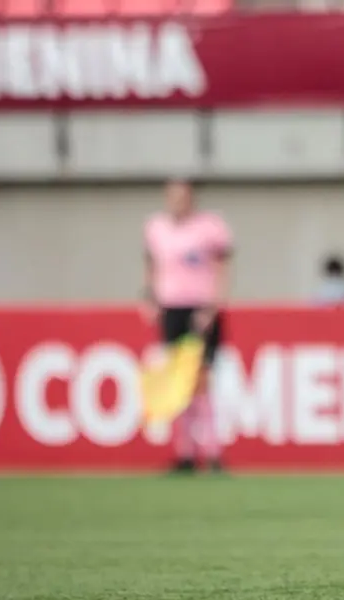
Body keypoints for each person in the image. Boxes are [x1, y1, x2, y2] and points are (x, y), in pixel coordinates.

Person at [142, 179, 232, 474]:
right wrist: (150, 298)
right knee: (178, 381)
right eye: (173, 197)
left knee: (201, 379)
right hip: (172, 307)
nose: (177, 202)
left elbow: (221, 268)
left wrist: (213, 305)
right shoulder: (156, 228)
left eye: (182, 196)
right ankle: (185, 453)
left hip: (200, 307)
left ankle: (213, 452)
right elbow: (152, 266)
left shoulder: (209, 227)